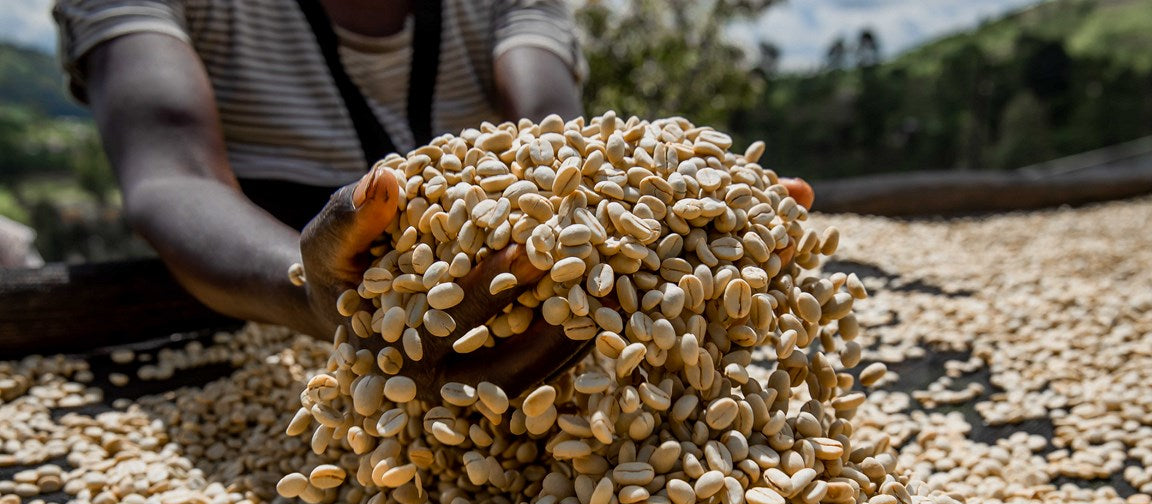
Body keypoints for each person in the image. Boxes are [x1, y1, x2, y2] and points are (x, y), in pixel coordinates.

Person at [53, 0, 813, 393]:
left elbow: (560, 143)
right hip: (238, 303)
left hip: (487, 305)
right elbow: (172, 176)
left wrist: (659, 226)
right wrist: (313, 291)